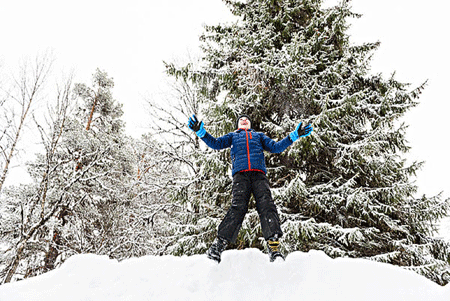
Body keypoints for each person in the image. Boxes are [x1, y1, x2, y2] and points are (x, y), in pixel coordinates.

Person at [188, 114, 313, 263]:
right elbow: (215, 143)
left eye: (247, 119)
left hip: (259, 175)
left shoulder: (258, 136)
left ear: (250, 124)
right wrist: (200, 132)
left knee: (267, 205)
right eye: (241, 119)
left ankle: (274, 248)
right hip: (240, 176)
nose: (244, 120)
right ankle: (218, 246)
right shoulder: (232, 137)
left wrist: (295, 135)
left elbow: (276, 147)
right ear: (238, 125)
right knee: (237, 207)